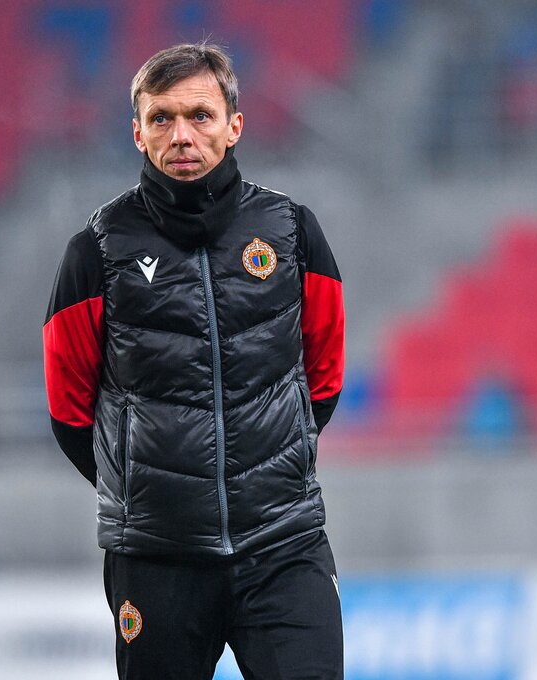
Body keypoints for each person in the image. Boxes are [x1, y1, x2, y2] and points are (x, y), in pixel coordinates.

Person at [43, 42, 345, 679]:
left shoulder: (293, 232)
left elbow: (323, 377)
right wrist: (149, 492)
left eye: (200, 115)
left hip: (283, 543)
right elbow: (69, 413)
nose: (181, 134)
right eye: (162, 117)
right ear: (138, 133)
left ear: (234, 126)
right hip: (156, 558)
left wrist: (265, 473)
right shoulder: (94, 252)